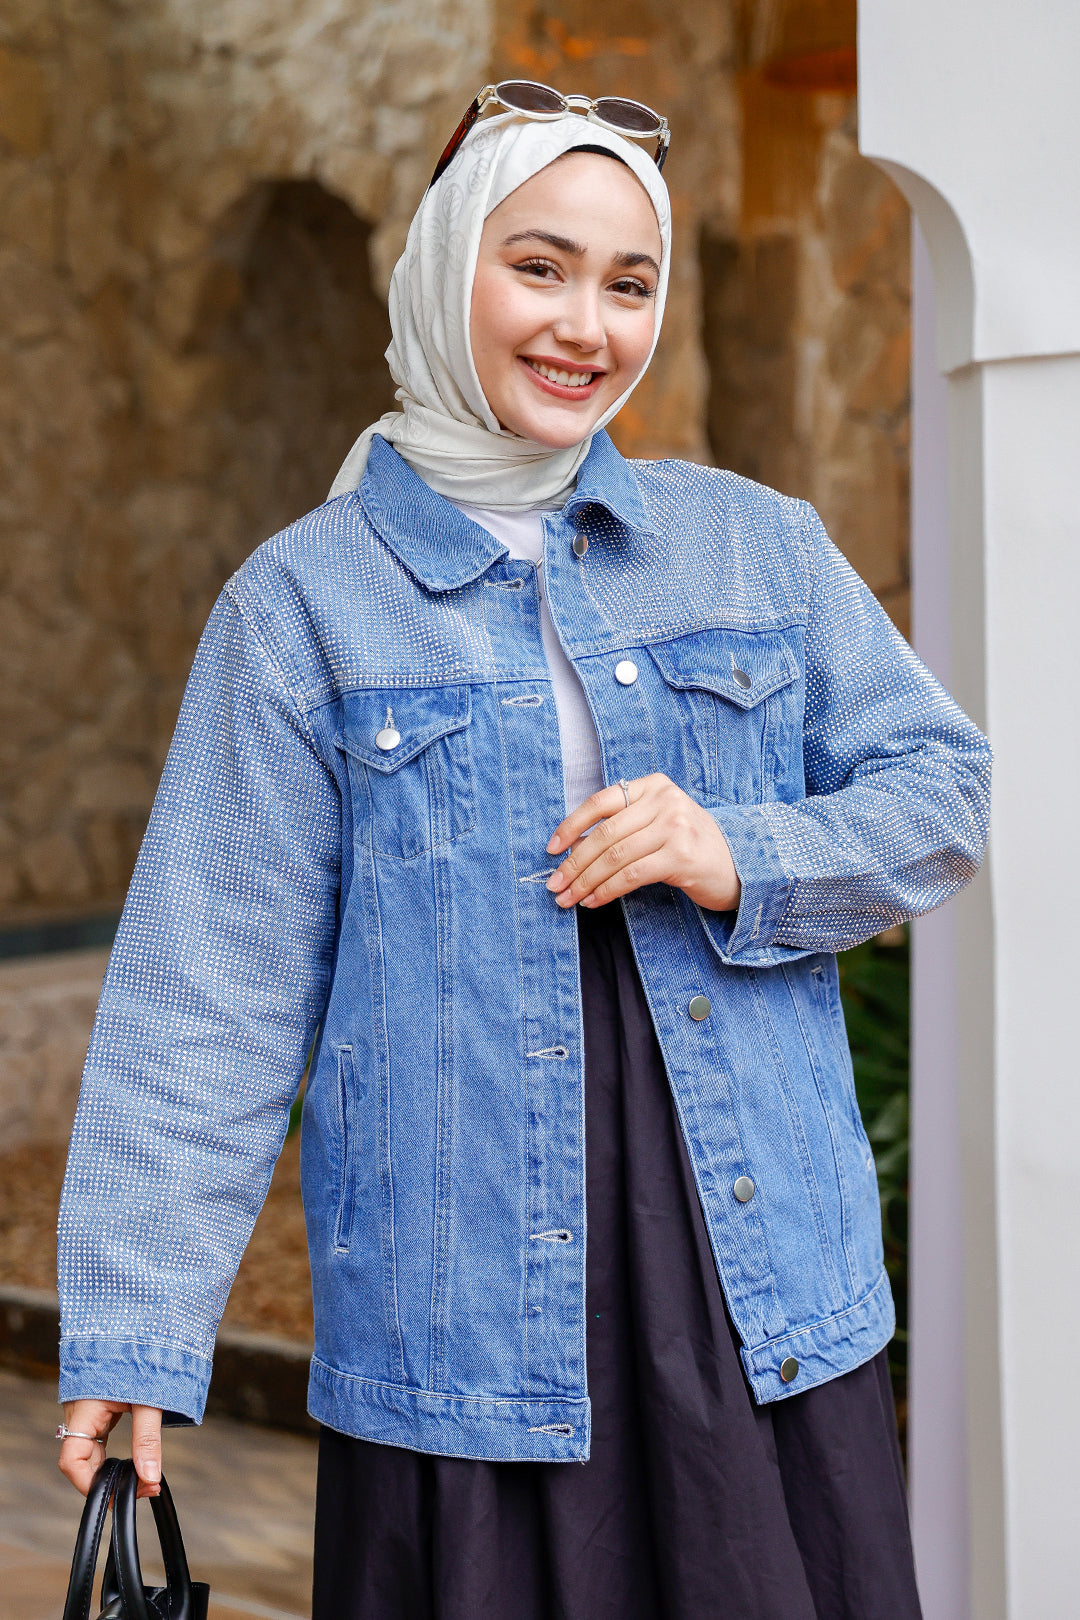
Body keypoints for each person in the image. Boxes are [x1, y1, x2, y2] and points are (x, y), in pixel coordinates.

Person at [56, 83, 990, 1619]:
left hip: (752, 1296)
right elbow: (206, 990)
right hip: (461, 1319)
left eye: (630, 284)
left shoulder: (754, 543)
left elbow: (942, 789)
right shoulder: (303, 605)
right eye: (539, 267)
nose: (587, 327)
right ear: (442, 273)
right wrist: (137, 1332)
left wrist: (734, 844)